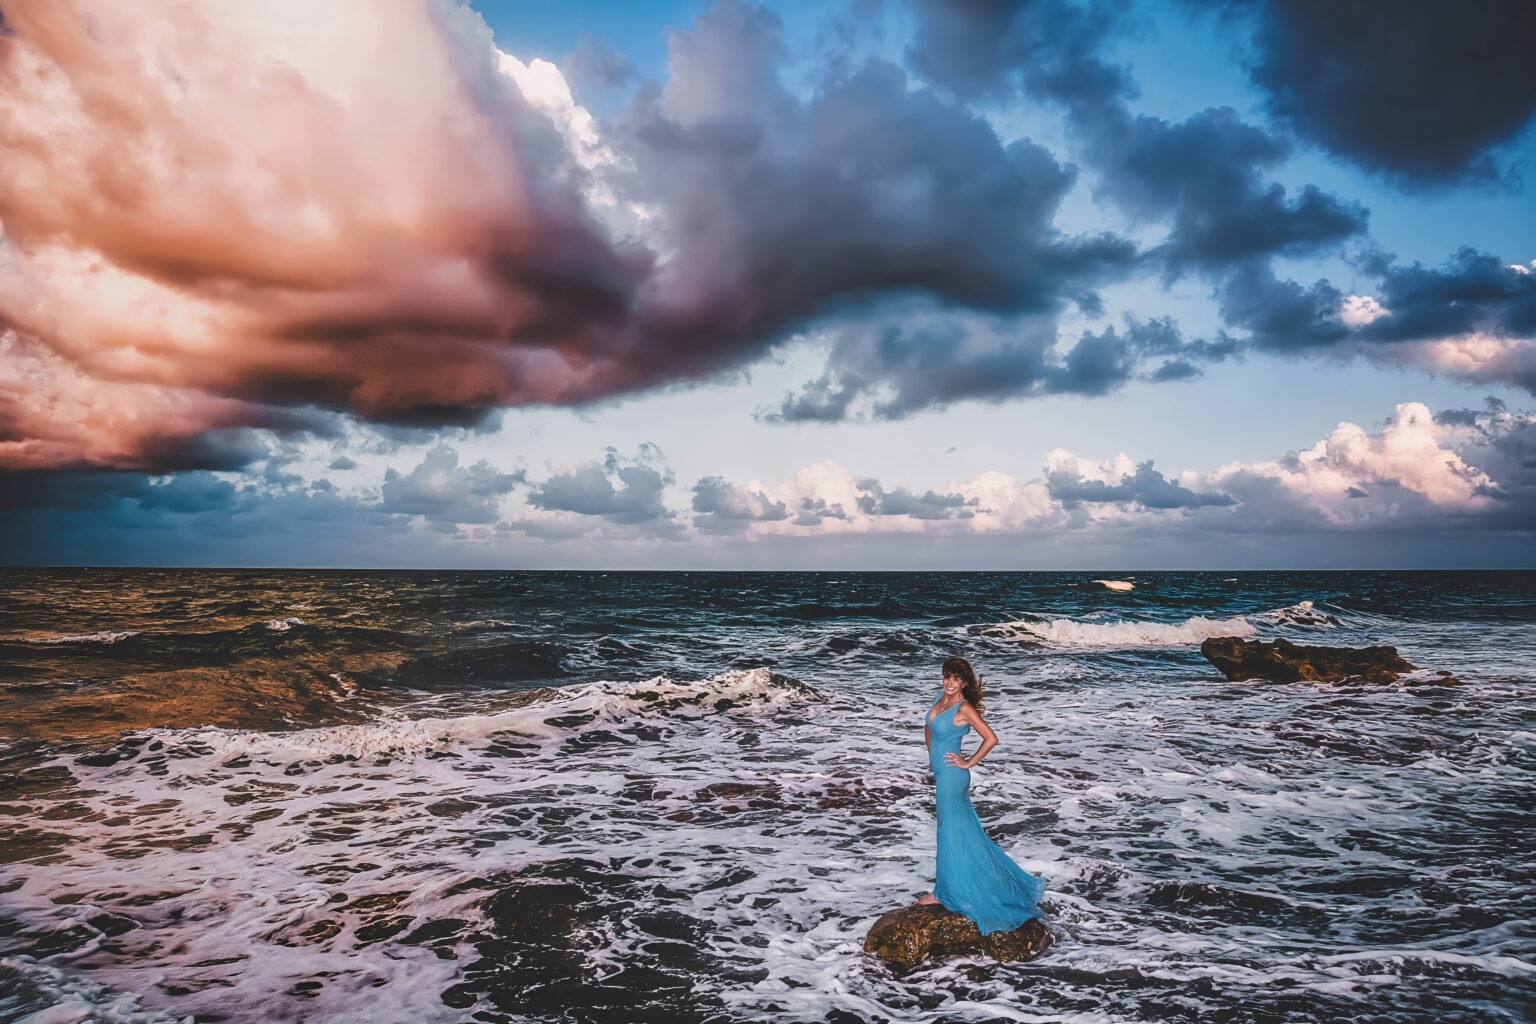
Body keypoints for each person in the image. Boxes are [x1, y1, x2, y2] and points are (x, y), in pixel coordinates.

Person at [916, 656, 1047, 934]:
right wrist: (932, 758)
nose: (949, 683)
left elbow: (991, 738)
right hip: (942, 773)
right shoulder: (942, 697)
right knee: (958, 832)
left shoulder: (964, 708)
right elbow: (928, 727)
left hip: (953, 777)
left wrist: (968, 762)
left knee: (950, 832)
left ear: (964, 682)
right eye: (946, 677)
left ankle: (944, 893)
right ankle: (950, 887)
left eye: (955, 679)